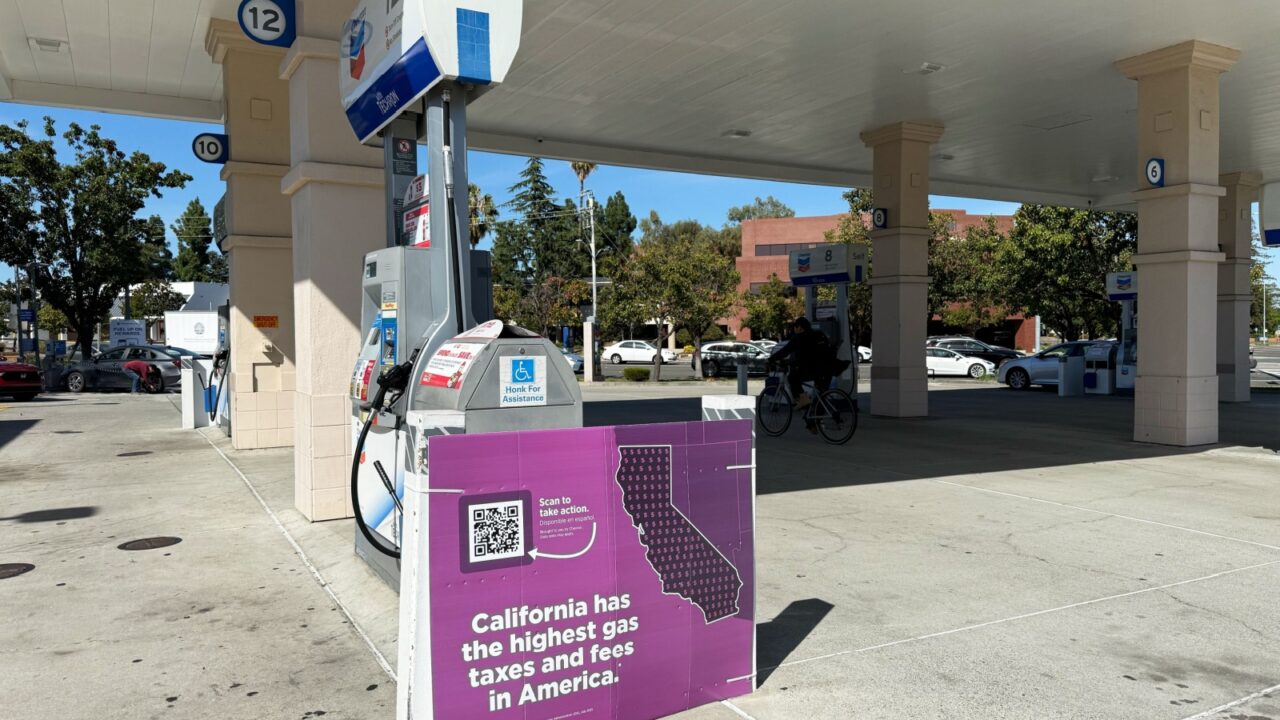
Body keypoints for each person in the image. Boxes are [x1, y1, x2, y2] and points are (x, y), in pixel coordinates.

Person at [768, 317, 833, 410]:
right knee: (820, 396)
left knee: (792, 377)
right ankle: (816, 422)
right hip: (827, 369)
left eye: (796, 327)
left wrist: (771, 359)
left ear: (800, 328)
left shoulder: (799, 337)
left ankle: (803, 400)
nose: (794, 329)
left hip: (813, 370)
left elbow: (785, 351)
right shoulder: (819, 333)